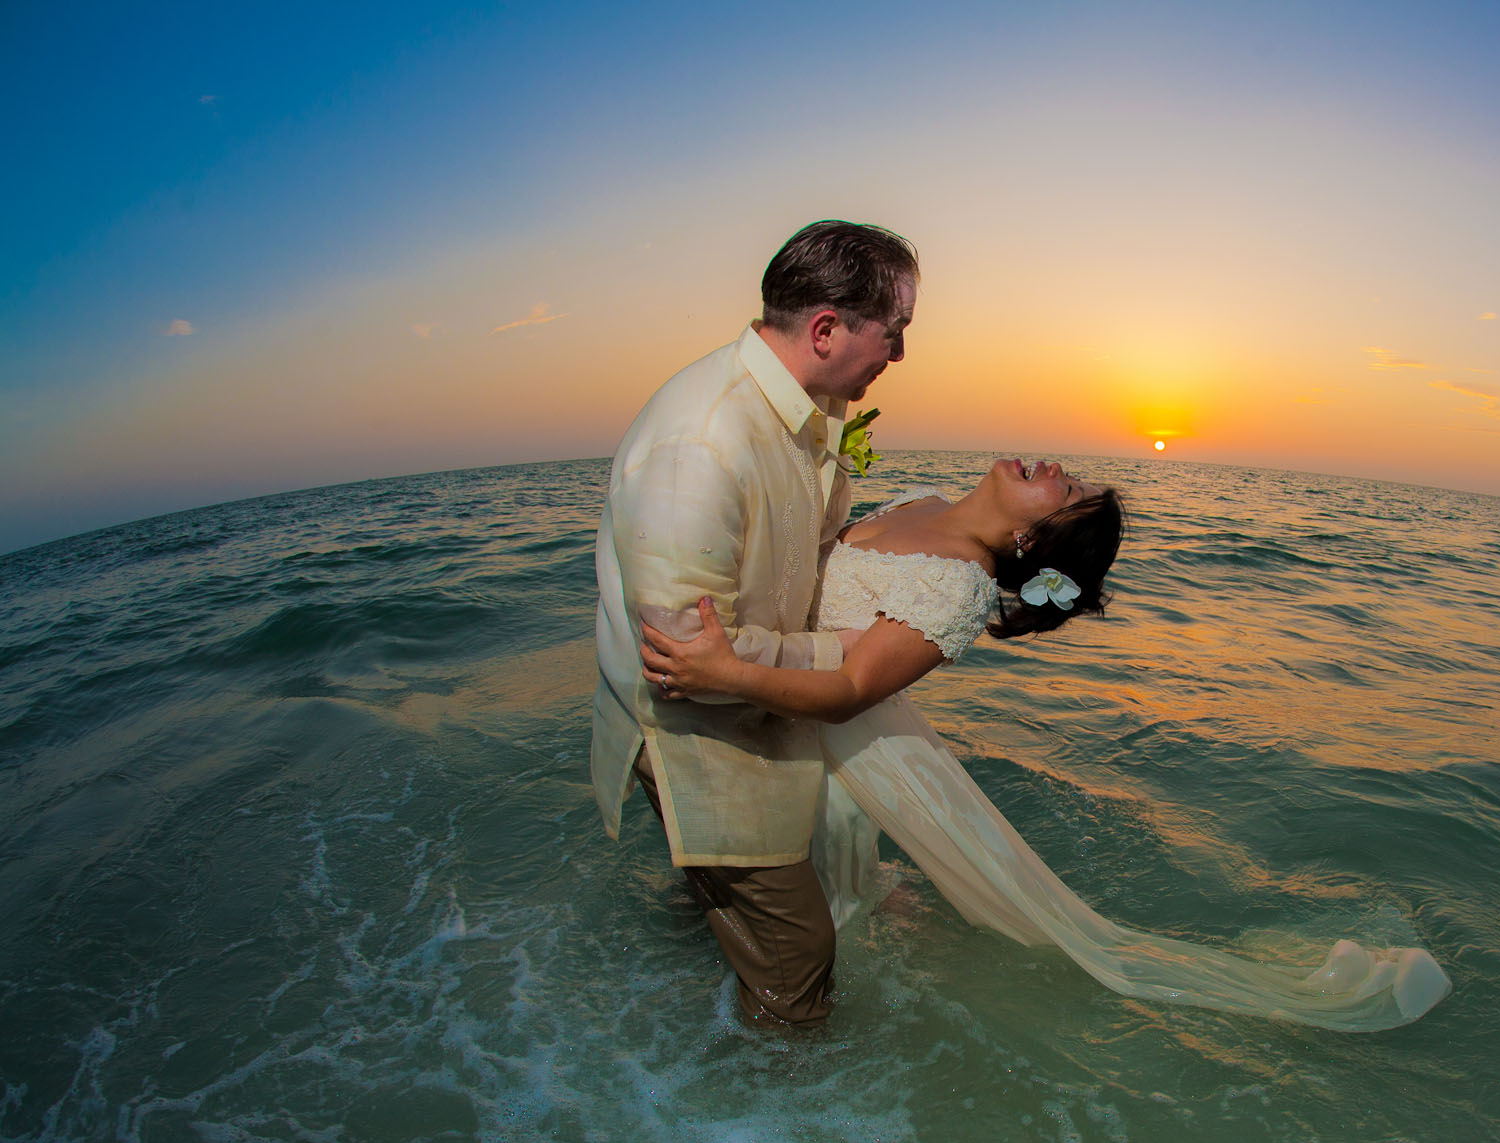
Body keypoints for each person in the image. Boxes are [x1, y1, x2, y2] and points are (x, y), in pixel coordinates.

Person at [642, 461, 1453, 1032]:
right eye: (1072, 475)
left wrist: (726, 669)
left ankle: (785, 1055)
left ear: (1034, 537)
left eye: (1067, 488)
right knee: (739, 895)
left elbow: (854, 689)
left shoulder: (956, 585)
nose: (1057, 466)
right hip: (778, 705)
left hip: (816, 729)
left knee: (794, 918)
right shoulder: (925, 501)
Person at [591, 219, 918, 1027]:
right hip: (700, 737)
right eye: (897, 330)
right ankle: (777, 1127)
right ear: (826, 329)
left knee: (741, 910)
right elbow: (684, 656)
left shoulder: (809, 412)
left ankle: (707, 956)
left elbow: (796, 549)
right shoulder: (700, 444)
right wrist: (843, 652)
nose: (901, 355)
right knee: (799, 953)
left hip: (758, 710)